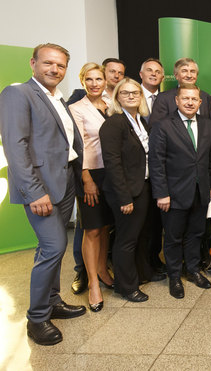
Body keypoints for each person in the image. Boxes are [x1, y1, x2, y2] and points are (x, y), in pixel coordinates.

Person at [0, 43, 86, 346]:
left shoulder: (56, 97)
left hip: (63, 184)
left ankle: (53, 301)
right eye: (49, 63)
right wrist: (34, 192)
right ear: (33, 63)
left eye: (61, 66)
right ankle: (37, 318)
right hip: (41, 188)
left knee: (51, 249)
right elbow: (16, 145)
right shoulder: (18, 94)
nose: (55, 70)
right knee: (53, 247)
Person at [149, 84, 211, 299]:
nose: (190, 102)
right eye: (185, 98)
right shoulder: (163, 126)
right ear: (177, 101)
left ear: (200, 102)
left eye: (194, 99)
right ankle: (174, 276)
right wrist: (161, 193)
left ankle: (194, 270)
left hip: (201, 192)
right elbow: (156, 162)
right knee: (173, 237)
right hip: (173, 194)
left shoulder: (207, 125)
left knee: (196, 234)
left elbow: (210, 159)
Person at [99, 78, 154, 303]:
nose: (131, 96)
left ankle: (137, 276)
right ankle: (126, 287)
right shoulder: (114, 124)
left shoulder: (140, 121)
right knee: (126, 240)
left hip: (143, 186)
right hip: (126, 192)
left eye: (135, 93)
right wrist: (124, 198)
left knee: (139, 237)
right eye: (125, 93)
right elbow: (112, 163)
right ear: (117, 97)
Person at [68, 62, 115, 312]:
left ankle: (103, 271)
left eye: (99, 79)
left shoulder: (112, 103)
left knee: (105, 226)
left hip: (113, 173)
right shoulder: (76, 108)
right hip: (91, 173)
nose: (95, 84)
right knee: (92, 229)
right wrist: (86, 178)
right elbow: (78, 145)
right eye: (89, 79)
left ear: (105, 81)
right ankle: (94, 284)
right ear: (83, 81)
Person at [139, 57, 167, 274]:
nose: (154, 74)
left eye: (158, 72)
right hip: (136, 170)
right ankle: (139, 264)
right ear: (141, 74)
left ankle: (154, 259)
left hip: (161, 168)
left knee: (157, 219)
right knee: (138, 222)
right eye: (149, 70)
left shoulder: (166, 99)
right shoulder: (129, 95)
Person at [148, 57, 211, 128]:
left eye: (192, 71)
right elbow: (155, 128)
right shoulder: (163, 98)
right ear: (176, 75)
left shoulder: (206, 98)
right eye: (184, 71)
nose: (189, 75)